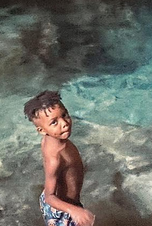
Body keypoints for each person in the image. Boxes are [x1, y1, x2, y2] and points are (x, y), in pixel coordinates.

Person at [24, 90, 95, 226]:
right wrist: (74, 210)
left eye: (64, 115)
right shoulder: (55, 159)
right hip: (62, 211)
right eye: (54, 122)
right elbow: (50, 197)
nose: (64, 123)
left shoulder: (50, 139)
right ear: (42, 130)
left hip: (62, 204)